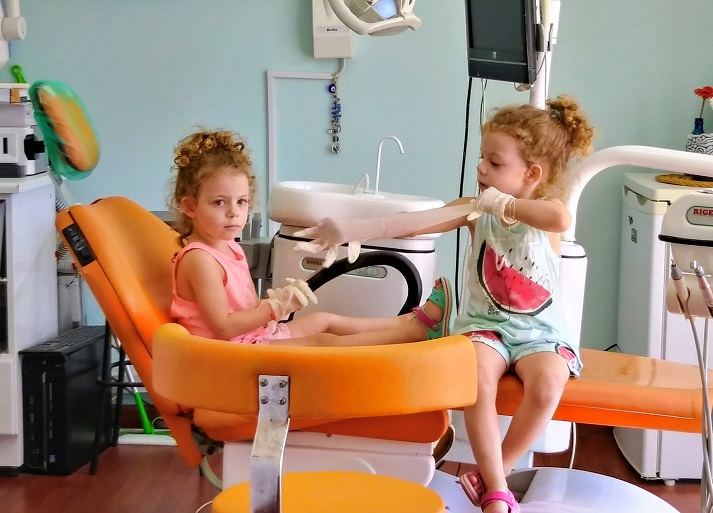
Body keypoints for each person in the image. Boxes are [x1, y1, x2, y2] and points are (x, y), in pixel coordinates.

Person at [294, 95, 595, 513]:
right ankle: (498, 495)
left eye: (495, 162)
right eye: (482, 159)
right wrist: (348, 228)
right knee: (477, 380)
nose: (481, 169)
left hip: (541, 333)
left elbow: (559, 220)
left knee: (547, 387)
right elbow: (409, 223)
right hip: (483, 328)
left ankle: (495, 476)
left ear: (531, 173)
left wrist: (505, 204)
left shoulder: (546, 212)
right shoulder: (473, 210)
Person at [168, 128, 456, 348]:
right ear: (190, 206)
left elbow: (243, 308)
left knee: (323, 320)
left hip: (250, 340)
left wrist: (275, 301)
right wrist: (275, 308)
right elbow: (224, 327)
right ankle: (412, 334)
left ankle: (409, 323)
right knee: (322, 342)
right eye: (219, 203)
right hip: (228, 356)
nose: (234, 213)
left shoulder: (230, 248)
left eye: (242, 202)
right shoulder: (200, 260)